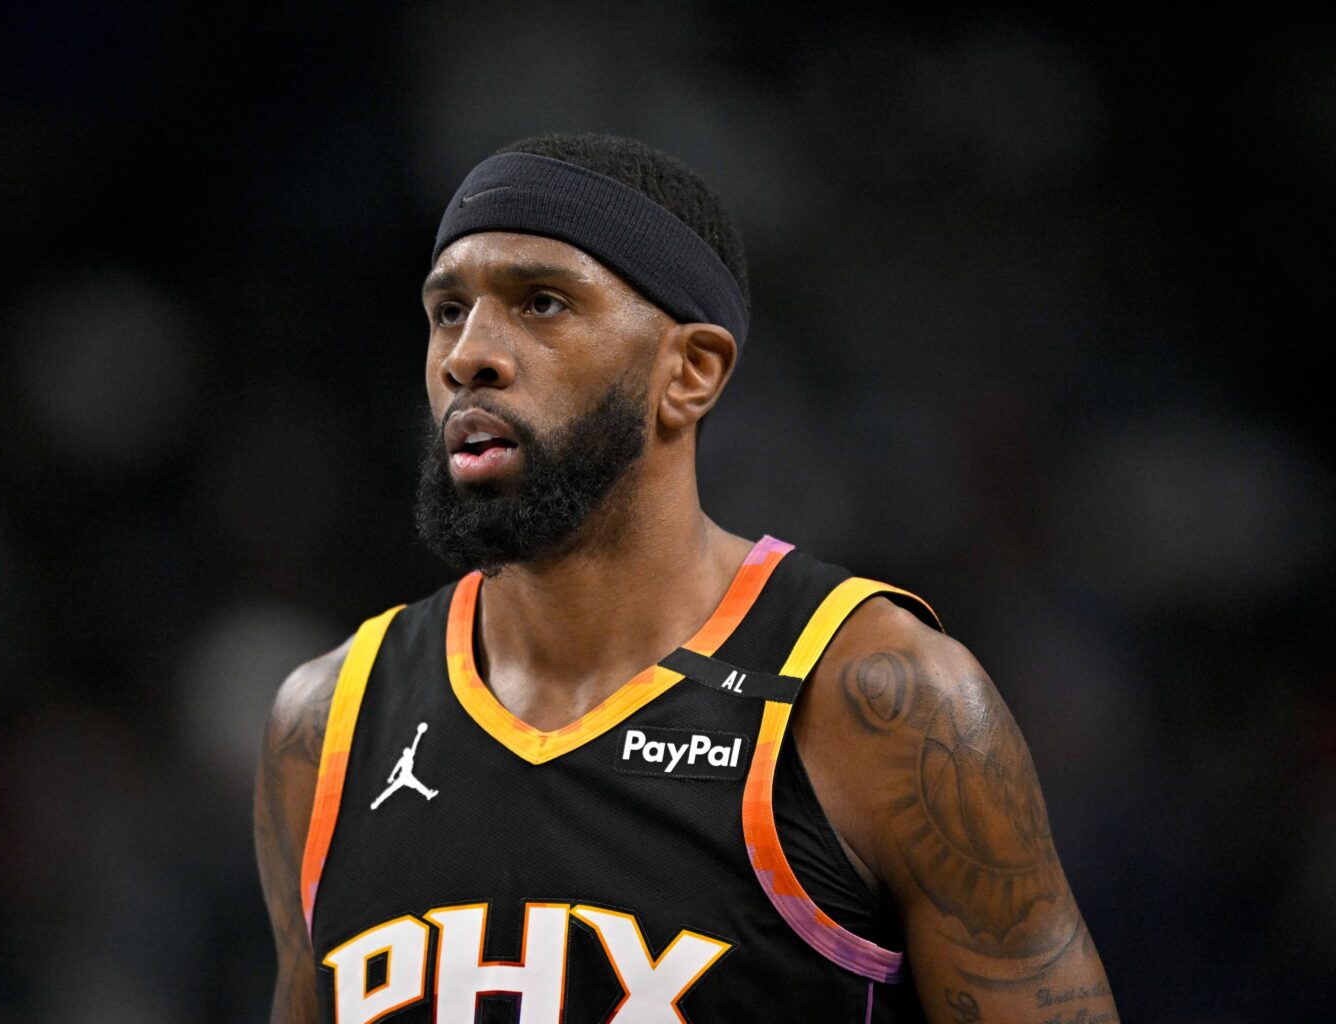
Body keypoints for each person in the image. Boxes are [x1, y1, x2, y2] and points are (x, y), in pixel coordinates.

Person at [253, 133, 1119, 1024]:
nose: (468, 355)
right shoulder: (326, 727)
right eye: (447, 311)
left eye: (542, 303)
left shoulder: (878, 701)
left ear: (690, 372)